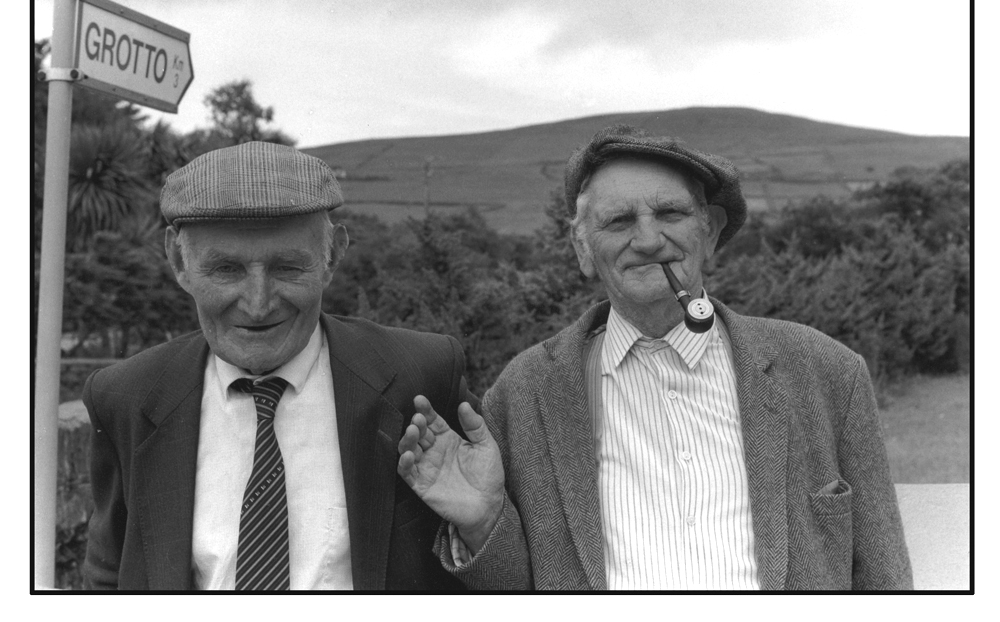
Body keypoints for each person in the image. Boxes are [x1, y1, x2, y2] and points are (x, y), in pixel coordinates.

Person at [397, 124, 913, 590]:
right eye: (619, 220)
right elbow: (517, 590)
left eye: (670, 213)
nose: (647, 240)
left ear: (709, 231)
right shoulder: (524, 392)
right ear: (582, 248)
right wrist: (484, 522)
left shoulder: (827, 372)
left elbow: (885, 576)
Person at [82, 141, 471, 590]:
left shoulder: (422, 375)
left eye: (287, 268)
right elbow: (109, 575)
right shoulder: (124, 397)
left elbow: (483, 557)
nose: (258, 303)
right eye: (226, 270)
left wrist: (485, 525)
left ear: (332, 257)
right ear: (177, 261)